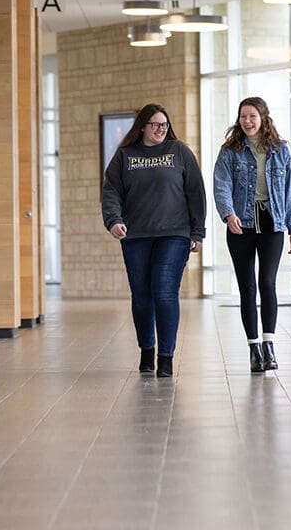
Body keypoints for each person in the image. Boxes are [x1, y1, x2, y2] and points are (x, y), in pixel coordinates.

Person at [101, 103, 206, 378]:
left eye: (165, 125)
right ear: (142, 127)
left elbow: (196, 192)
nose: (161, 129)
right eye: (156, 125)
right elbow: (111, 191)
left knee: (164, 290)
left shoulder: (179, 151)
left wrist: (197, 233)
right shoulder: (125, 156)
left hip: (174, 233)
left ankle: (166, 357)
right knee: (142, 295)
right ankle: (147, 350)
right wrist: (114, 220)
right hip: (135, 235)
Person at [213, 97, 291, 373]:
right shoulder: (230, 151)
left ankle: (270, 345)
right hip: (240, 225)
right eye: (243, 117)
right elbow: (221, 185)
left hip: (272, 223)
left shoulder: (280, 150)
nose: (247, 121)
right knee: (247, 288)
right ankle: (254, 348)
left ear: (263, 117)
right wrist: (228, 214)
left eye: (252, 116)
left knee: (267, 283)